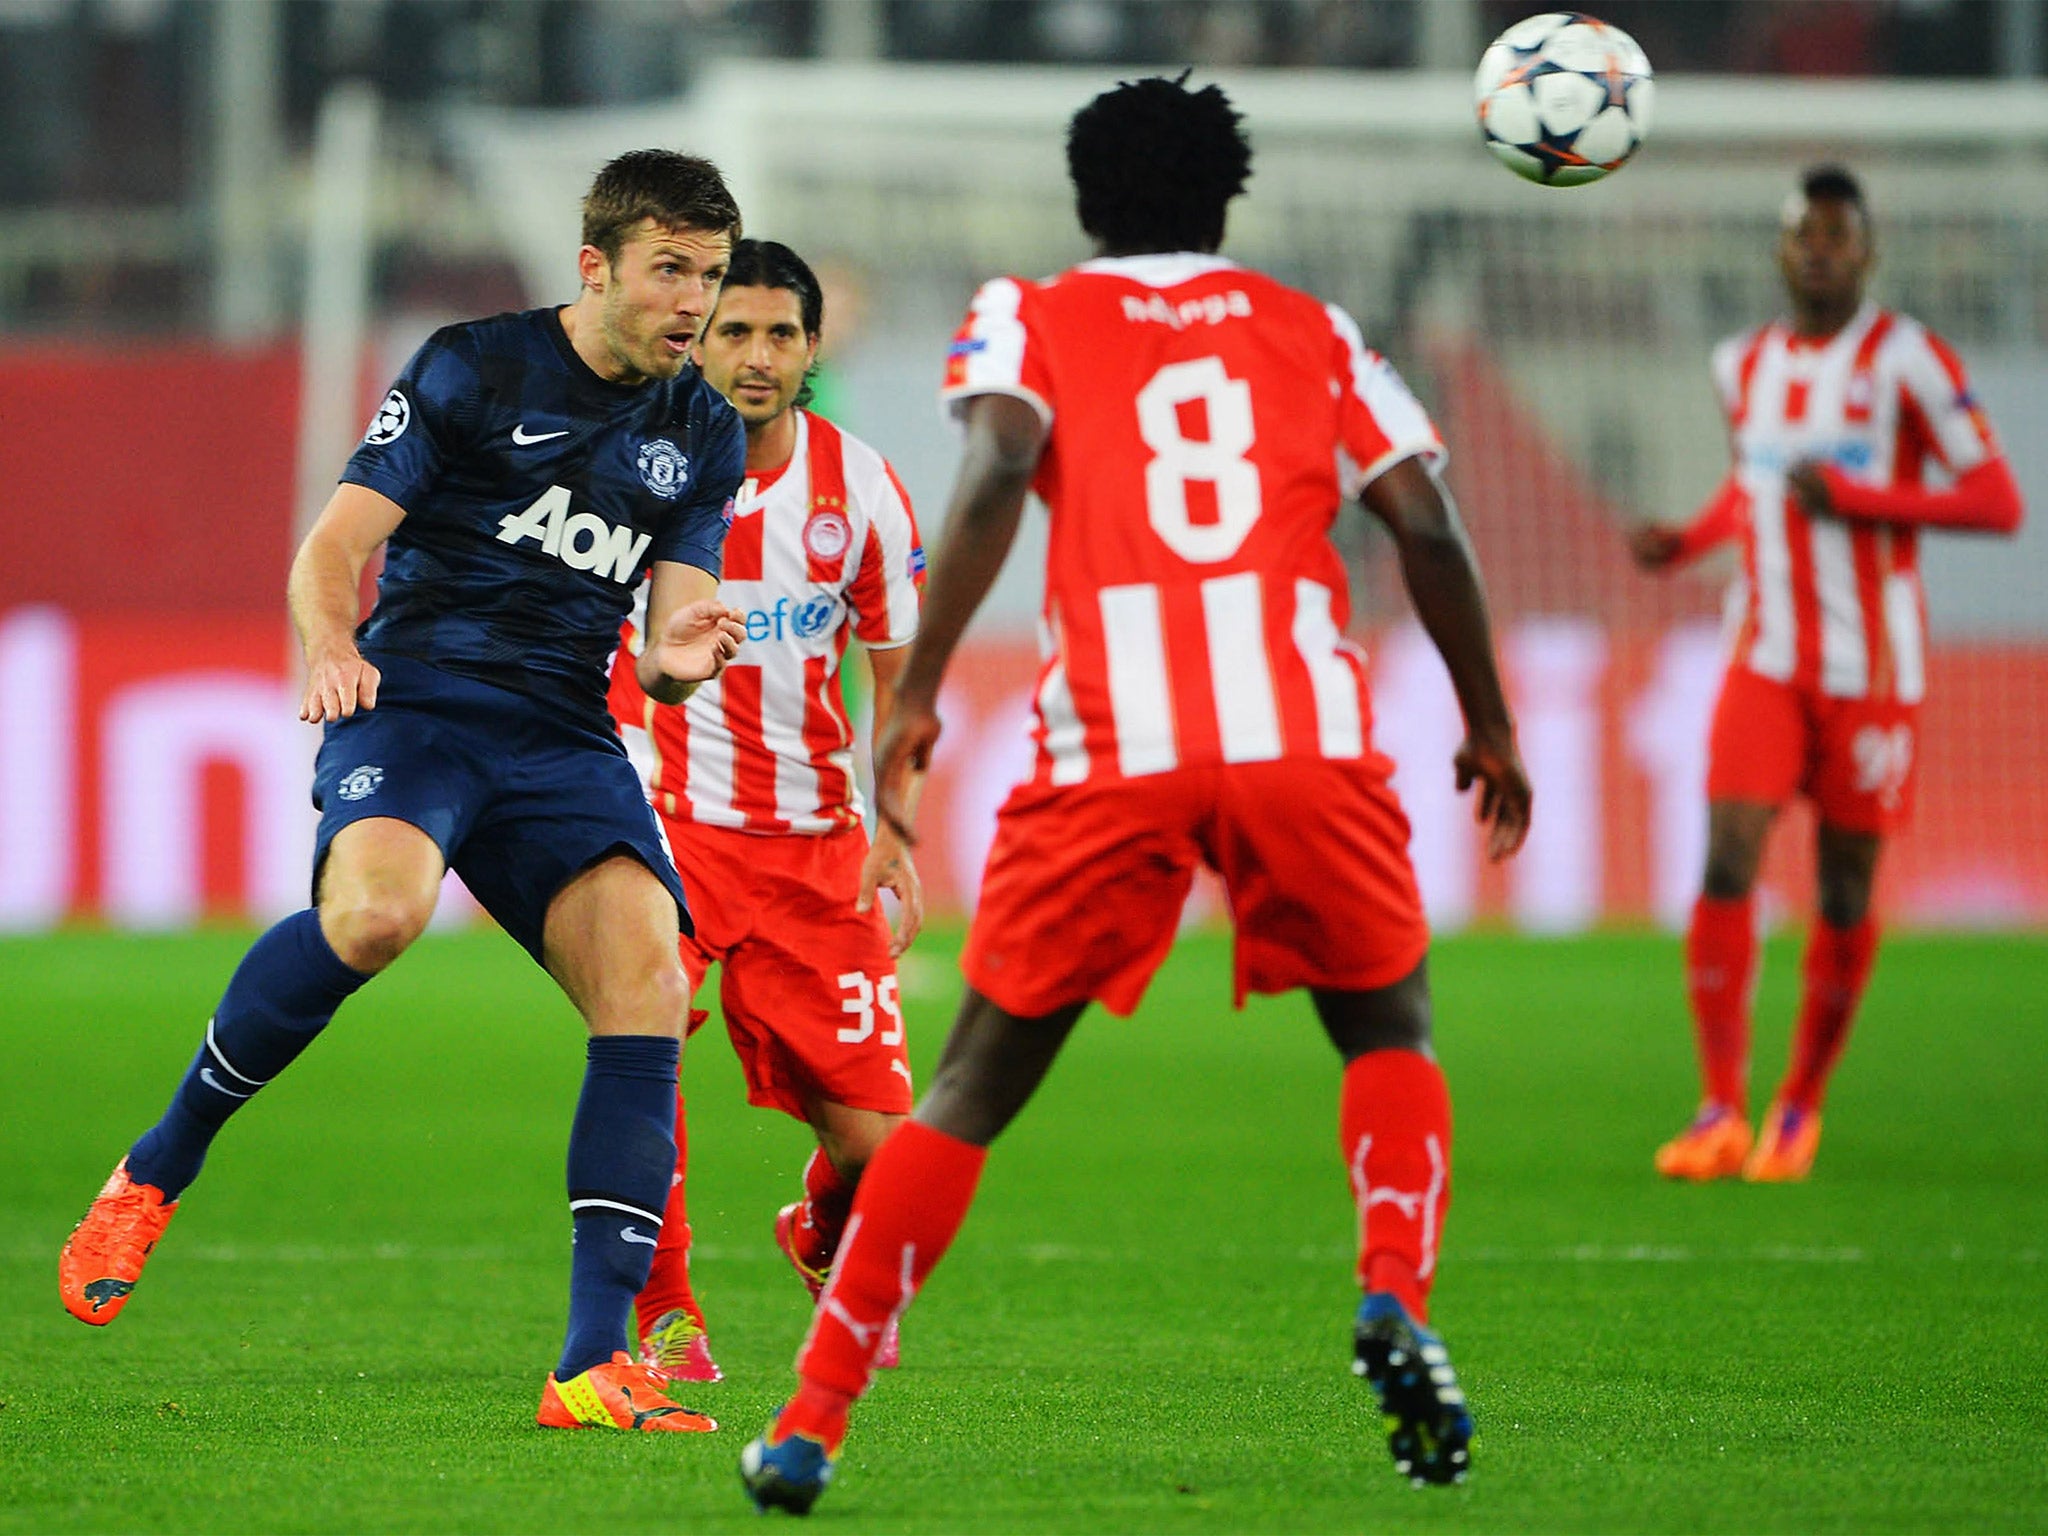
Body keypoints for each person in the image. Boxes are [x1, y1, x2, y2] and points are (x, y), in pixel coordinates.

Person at [738, 74, 1533, 1513]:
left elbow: (994, 470)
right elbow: (1426, 517)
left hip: (1116, 744)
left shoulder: (1032, 314)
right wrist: (1489, 721)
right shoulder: (1314, 328)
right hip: (1301, 729)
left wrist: (912, 695)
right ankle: (1395, 1294)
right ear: (1227, 202)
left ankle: (809, 1424)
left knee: (973, 1085)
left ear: (1087, 201)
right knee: (1388, 1024)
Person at [58, 149, 753, 1435]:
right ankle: (155, 1169)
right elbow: (331, 551)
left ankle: (590, 1366)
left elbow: (669, 639)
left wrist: (678, 662)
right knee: (375, 917)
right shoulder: (472, 364)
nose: (693, 307)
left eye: (708, 279)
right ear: (595, 266)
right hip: (421, 704)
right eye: (671, 273)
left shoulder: (702, 432)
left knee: (651, 980)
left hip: (560, 739)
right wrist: (332, 648)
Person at [1629, 165, 2023, 1183]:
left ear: (1865, 252)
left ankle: (1797, 1107)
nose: (1818, 250)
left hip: (1871, 666)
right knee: (1725, 859)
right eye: (1803, 234)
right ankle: (1719, 1107)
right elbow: (1753, 486)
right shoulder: (1741, 363)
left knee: (1844, 891)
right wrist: (1689, 538)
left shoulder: (1908, 363)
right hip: (1761, 652)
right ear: (1779, 249)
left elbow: (1994, 502)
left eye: (1836, 236)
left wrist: (1860, 498)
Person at [603, 238, 925, 1384]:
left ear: (810, 348)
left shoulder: (863, 491)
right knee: (640, 1043)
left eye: (777, 334)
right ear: (696, 339)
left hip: (815, 847)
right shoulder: (632, 474)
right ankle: (667, 1313)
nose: (753, 356)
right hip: (667, 827)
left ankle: (818, 1234)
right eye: (731, 331)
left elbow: (903, 674)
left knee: (881, 1153)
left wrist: (896, 828)